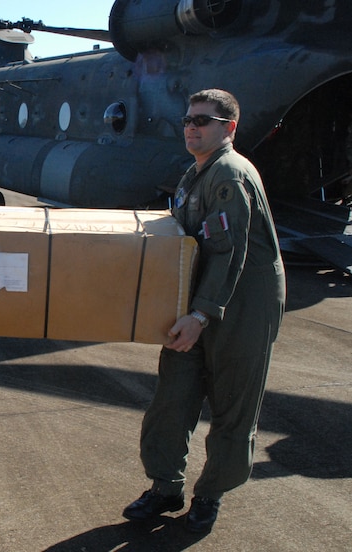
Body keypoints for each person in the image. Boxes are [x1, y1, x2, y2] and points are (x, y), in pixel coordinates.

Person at [122, 89, 286, 533]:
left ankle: (210, 494)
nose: (191, 126)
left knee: (233, 406)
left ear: (228, 128)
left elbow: (226, 253)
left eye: (203, 120)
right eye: (187, 119)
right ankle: (165, 487)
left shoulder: (229, 175)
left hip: (241, 307)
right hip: (198, 302)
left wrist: (200, 315)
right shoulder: (195, 173)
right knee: (172, 400)